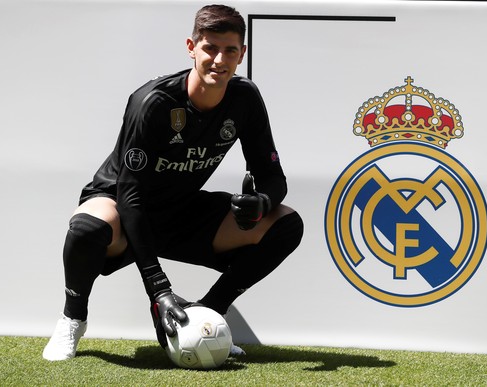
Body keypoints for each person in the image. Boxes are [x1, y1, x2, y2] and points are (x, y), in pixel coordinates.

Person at [42, 4, 303, 361]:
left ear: (242, 54)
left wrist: (263, 202)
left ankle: (206, 317)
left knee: (286, 224)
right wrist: (159, 291)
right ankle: (72, 318)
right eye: (210, 48)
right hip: (123, 205)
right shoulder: (153, 102)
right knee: (88, 227)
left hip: (180, 211)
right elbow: (130, 195)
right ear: (191, 47)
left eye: (229, 50)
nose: (219, 59)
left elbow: (274, 178)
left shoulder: (245, 98)